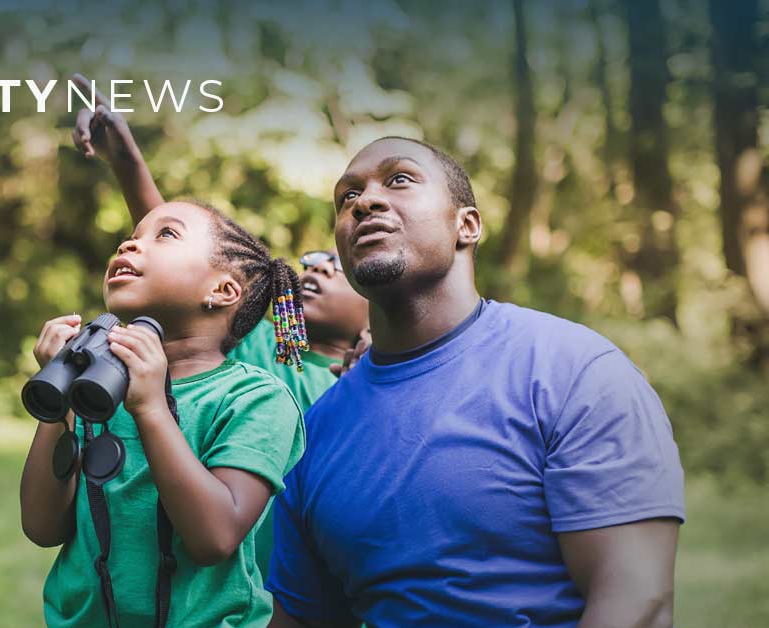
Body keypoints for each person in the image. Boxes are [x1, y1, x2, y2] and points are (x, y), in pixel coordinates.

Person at [266, 137, 685, 628]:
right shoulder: (315, 432)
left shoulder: (572, 370)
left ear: (466, 225)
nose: (366, 201)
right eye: (347, 197)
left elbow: (636, 599)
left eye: (399, 180)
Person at [20, 199, 307, 627]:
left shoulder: (254, 398)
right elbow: (42, 527)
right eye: (132, 237)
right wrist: (56, 405)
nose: (128, 246)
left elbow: (214, 537)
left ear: (222, 291)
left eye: (165, 234)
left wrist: (151, 407)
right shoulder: (94, 391)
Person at [69, 73, 369, 411]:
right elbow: (183, 266)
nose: (319, 270)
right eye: (313, 261)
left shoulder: (365, 380)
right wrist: (126, 162)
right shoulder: (258, 344)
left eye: (340, 267)